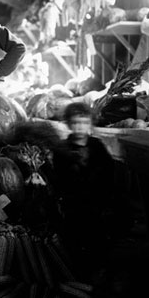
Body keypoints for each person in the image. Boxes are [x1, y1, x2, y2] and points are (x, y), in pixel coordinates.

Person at [53, 102, 115, 280]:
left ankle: (99, 270)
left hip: (96, 202)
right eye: (76, 123)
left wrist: (106, 196)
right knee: (74, 236)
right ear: (69, 124)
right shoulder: (62, 149)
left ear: (90, 124)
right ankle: (77, 271)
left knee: (97, 236)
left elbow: (108, 170)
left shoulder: (96, 146)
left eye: (83, 122)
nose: (80, 127)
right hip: (73, 203)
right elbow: (59, 176)